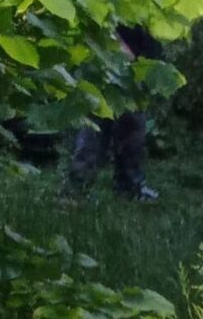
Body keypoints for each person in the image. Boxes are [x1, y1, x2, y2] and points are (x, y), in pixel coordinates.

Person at [66, 25, 162, 201]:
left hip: (140, 58)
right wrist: (116, 43)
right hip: (109, 58)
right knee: (95, 126)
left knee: (133, 127)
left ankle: (130, 187)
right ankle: (76, 188)